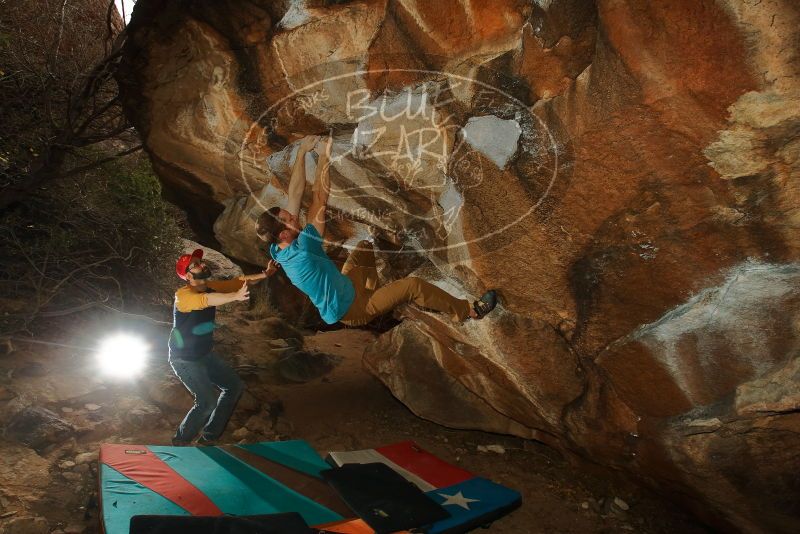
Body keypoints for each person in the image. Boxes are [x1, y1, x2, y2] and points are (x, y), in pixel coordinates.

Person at [255, 135, 498, 328]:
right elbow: (320, 197)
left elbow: (295, 193)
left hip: (348, 284)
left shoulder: (278, 246)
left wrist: (301, 153)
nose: (293, 216)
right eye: (289, 220)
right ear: (285, 234)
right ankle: (468, 311)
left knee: (364, 248)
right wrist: (324, 155)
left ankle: (379, 292)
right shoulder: (304, 248)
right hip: (354, 310)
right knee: (412, 286)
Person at [168, 248, 278, 446]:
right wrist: (234, 297)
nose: (202, 265)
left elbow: (238, 282)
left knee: (234, 387)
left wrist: (265, 274)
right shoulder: (183, 296)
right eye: (195, 265)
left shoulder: (208, 285)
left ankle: (209, 437)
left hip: (205, 355)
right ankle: (181, 441)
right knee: (207, 402)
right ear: (187, 275)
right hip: (184, 360)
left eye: (200, 262)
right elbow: (207, 300)